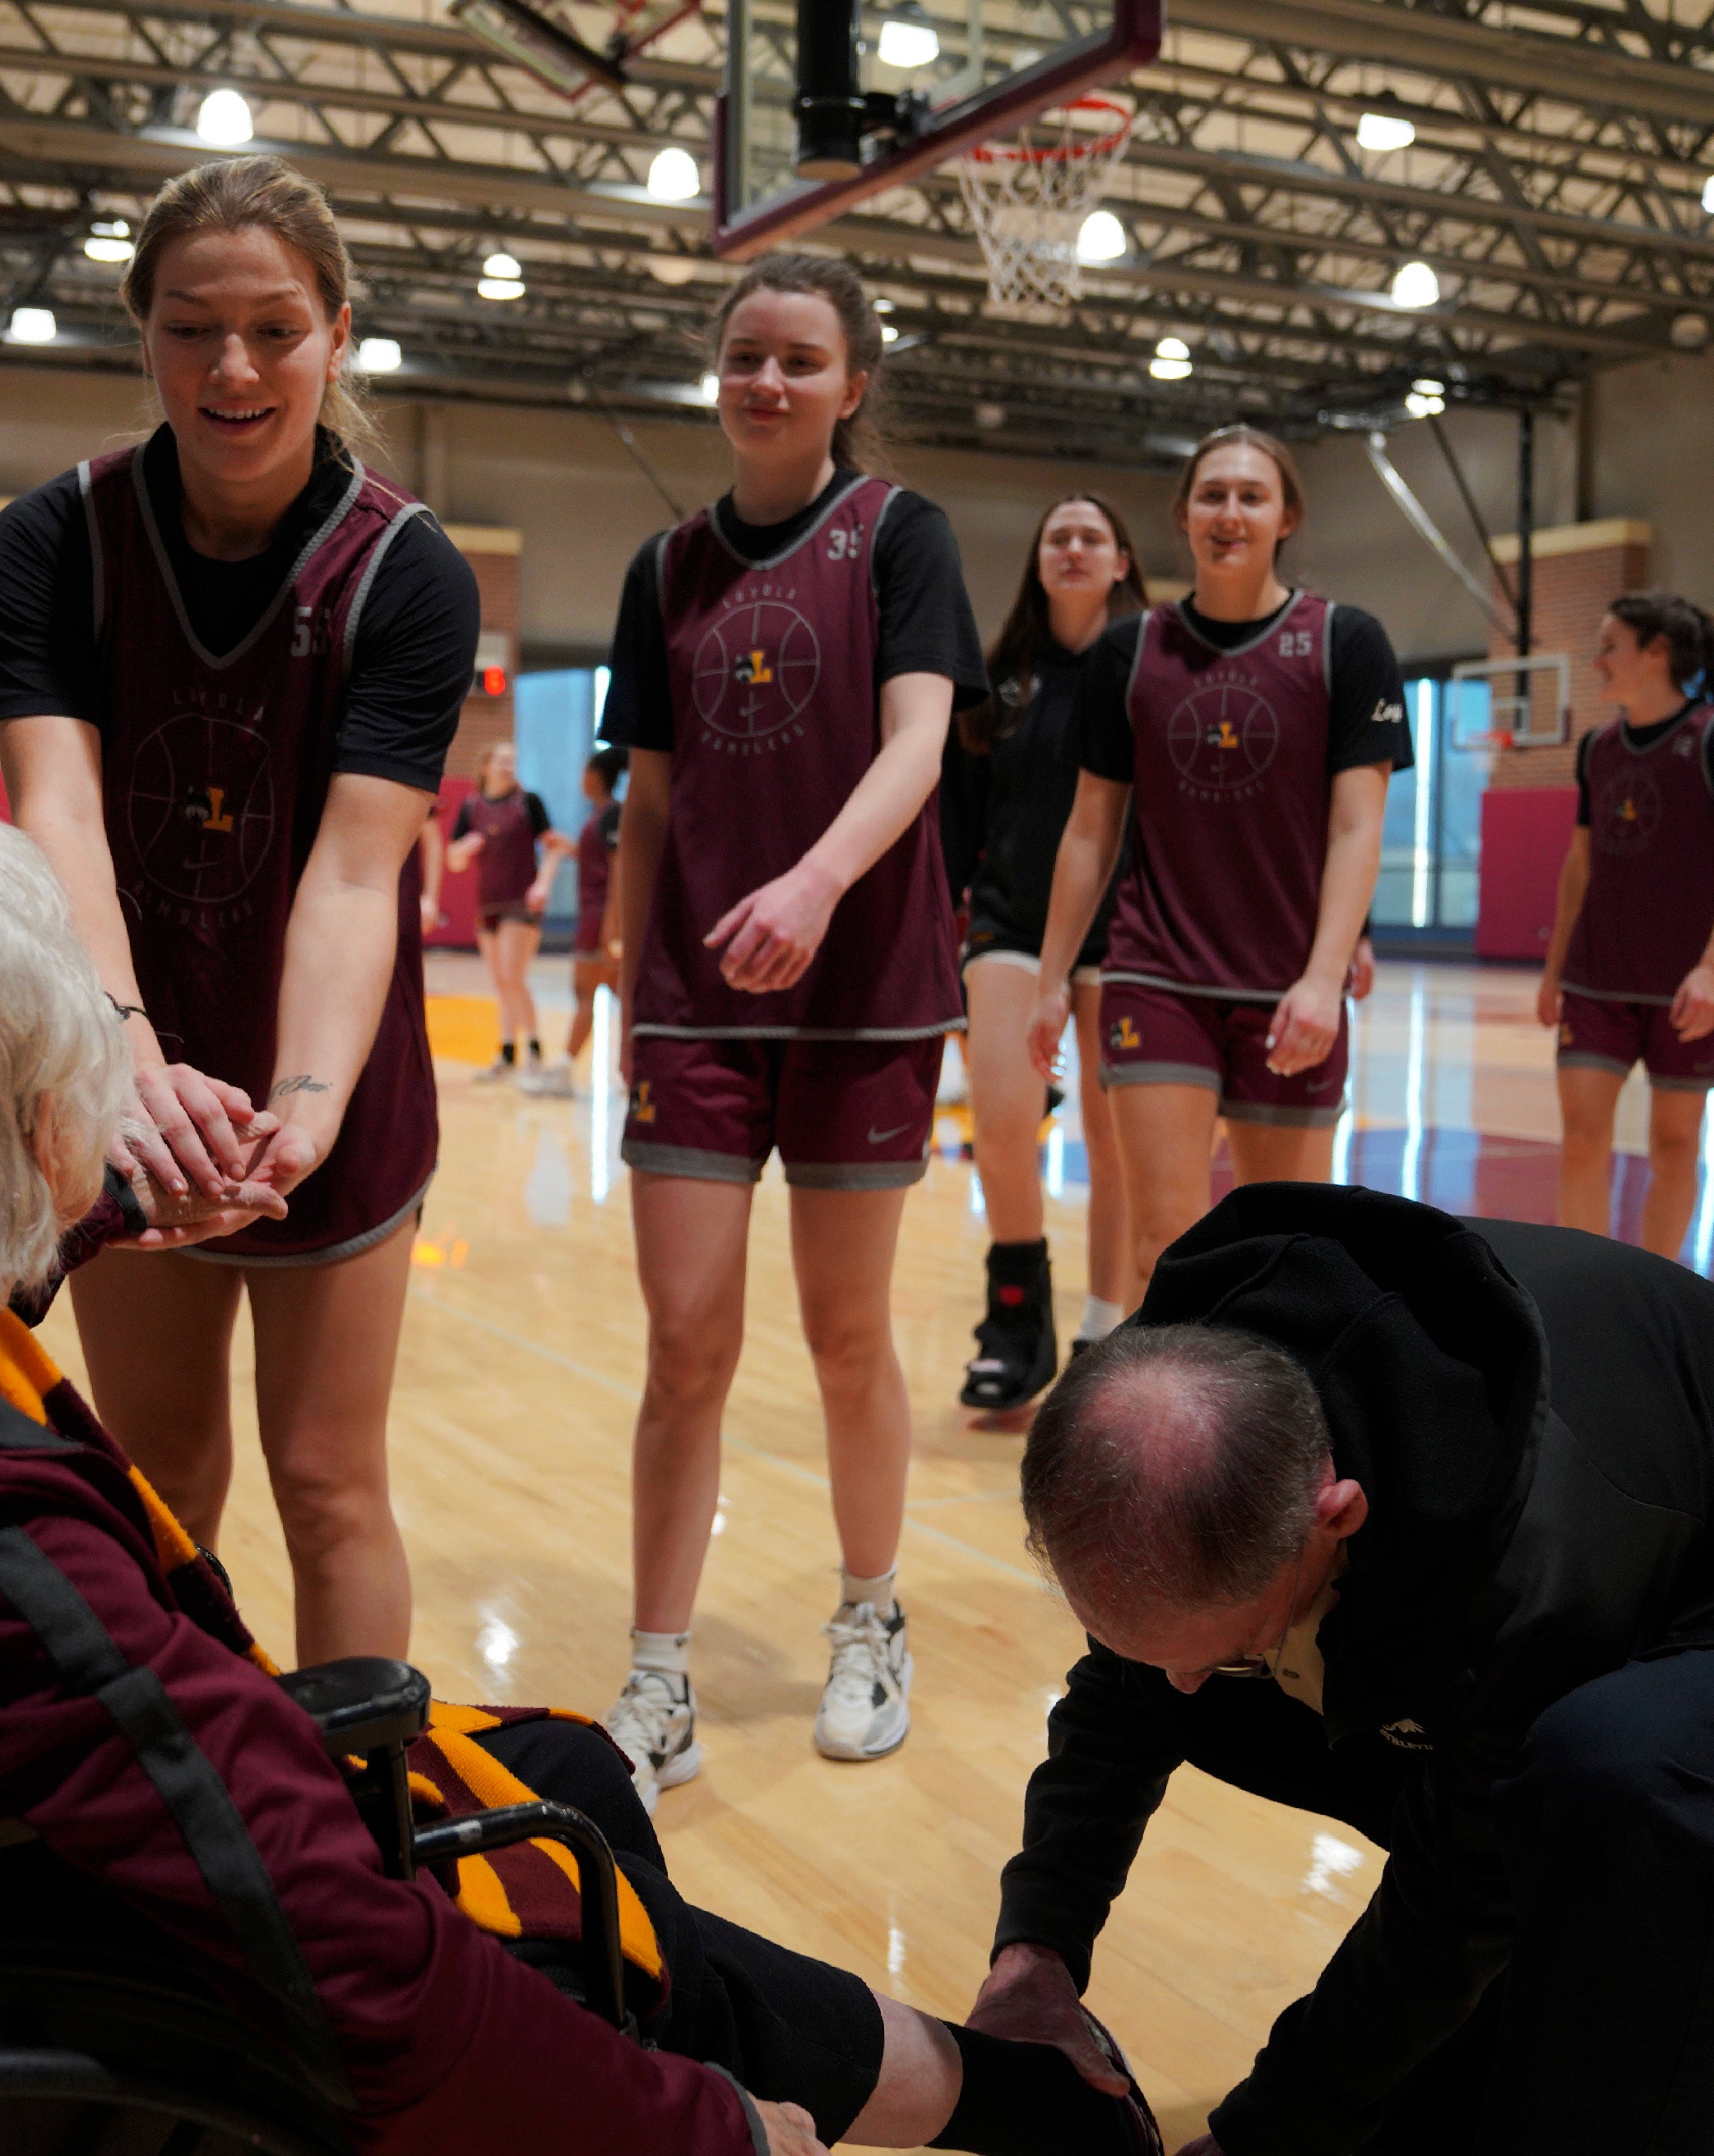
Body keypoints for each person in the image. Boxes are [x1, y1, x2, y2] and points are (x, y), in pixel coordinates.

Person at [0, 803, 1172, 2156]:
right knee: (562, 1829)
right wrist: (699, 2127)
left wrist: (100, 1210)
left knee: (568, 1774)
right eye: (50, 1096)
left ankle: (974, 2087)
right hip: (76, 1976)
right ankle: (983, 2093)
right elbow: (343, 1950)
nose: (88, 1109)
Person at [969, 1180, 1714, 2156]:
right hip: (1626, 1639)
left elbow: (1457, 1900)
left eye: (1222, 1646)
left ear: (1334, 1512)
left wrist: (1273, 2129)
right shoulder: (1194, 1408)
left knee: (1612, 1794)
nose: (1185, 1685)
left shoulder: (1525, 1559)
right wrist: (1038, 1949)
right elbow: (1128, 1690)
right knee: (1470, 2062)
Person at [0, 156, 480, 1665]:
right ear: (144, 335)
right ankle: (186, 1812)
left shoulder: (409, 572)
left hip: (329, 1086)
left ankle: (365, 1851)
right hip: (126, 1069)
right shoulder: (54, 542)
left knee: (330, 1484)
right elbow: (57, 814)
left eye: (274, 326)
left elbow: (352, 870)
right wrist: (130, 1067)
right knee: (157, 1481)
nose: (235, 366)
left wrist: (307, 1104)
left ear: (337, 333)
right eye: (193, 327)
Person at [597, 252, 983, 1797]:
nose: (767, 381)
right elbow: (655, 801)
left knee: (844, 1334)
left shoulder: (902, 534)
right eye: (745, 355)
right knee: (685, 1343)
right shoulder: (664, 566)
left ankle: (869, 1617)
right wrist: (629, 978)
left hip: (864, 985)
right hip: (699, 998)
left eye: (800, 360)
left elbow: (922, 741)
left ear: (852, 384)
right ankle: (657, 1678)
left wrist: (816, 884)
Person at [1024, 428, 1406, 1307]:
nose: (1229, 513)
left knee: (1289, 1249)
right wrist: (1051, 980)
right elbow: (1090, 832)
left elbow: (1357, 827)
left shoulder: (1348, 642)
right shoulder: (1128, 655)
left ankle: (1276, 1444)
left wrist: (1321, 980)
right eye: (1211, 496)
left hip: (1288, 991)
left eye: (1250, 496)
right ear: (1183, 515)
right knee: (1167, 1244)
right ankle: (1174, 1444)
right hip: (1158, 978)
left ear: (1286, 517)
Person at [938, 497, 1144, 1420]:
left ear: (1122, 561)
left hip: (1128, 927)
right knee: (1002, 1117)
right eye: (1055, 534)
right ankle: (1018, 1319)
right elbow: (957, 823)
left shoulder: (1150, 666)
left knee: (1114, 1142)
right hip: (1011, 924)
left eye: (1089, 537)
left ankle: (1107, 1330)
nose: (1070, 547)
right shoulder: (997, 678)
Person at [1536, 591, 1714, 1258]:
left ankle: (1658, 1288)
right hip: (1598, 976)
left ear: (1656, 653)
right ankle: (1584, 1287)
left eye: (1610, 646)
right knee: (1582, 1137)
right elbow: (1579, 864)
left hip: (1688, 986)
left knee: (1674, 1143)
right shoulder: (1597, 748)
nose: (1598, 660)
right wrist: (1554, 971)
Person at [447, 739, 563, 1090]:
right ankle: (507, 1053)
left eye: (513, 761)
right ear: (485, 766)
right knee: (500, 982)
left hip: (520, 904)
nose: (509, 767)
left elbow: (555, 847)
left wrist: (542, 884)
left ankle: (535, 1051)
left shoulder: (529, 802)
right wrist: (463, 849)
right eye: (502, 761)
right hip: (489, 905)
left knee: (513, 976)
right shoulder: (471, 808)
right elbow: (453, 861)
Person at [563, 746, 630, 1077]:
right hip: (595, 915)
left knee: (587, 993)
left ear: (594, 775)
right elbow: (598, 863)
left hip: (602, 918)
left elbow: (619, 874)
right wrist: (570, 849)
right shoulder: (599, 815)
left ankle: (563, 1070)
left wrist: (612, 929)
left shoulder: (612, 815)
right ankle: (631, 1070)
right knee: (612, 995)